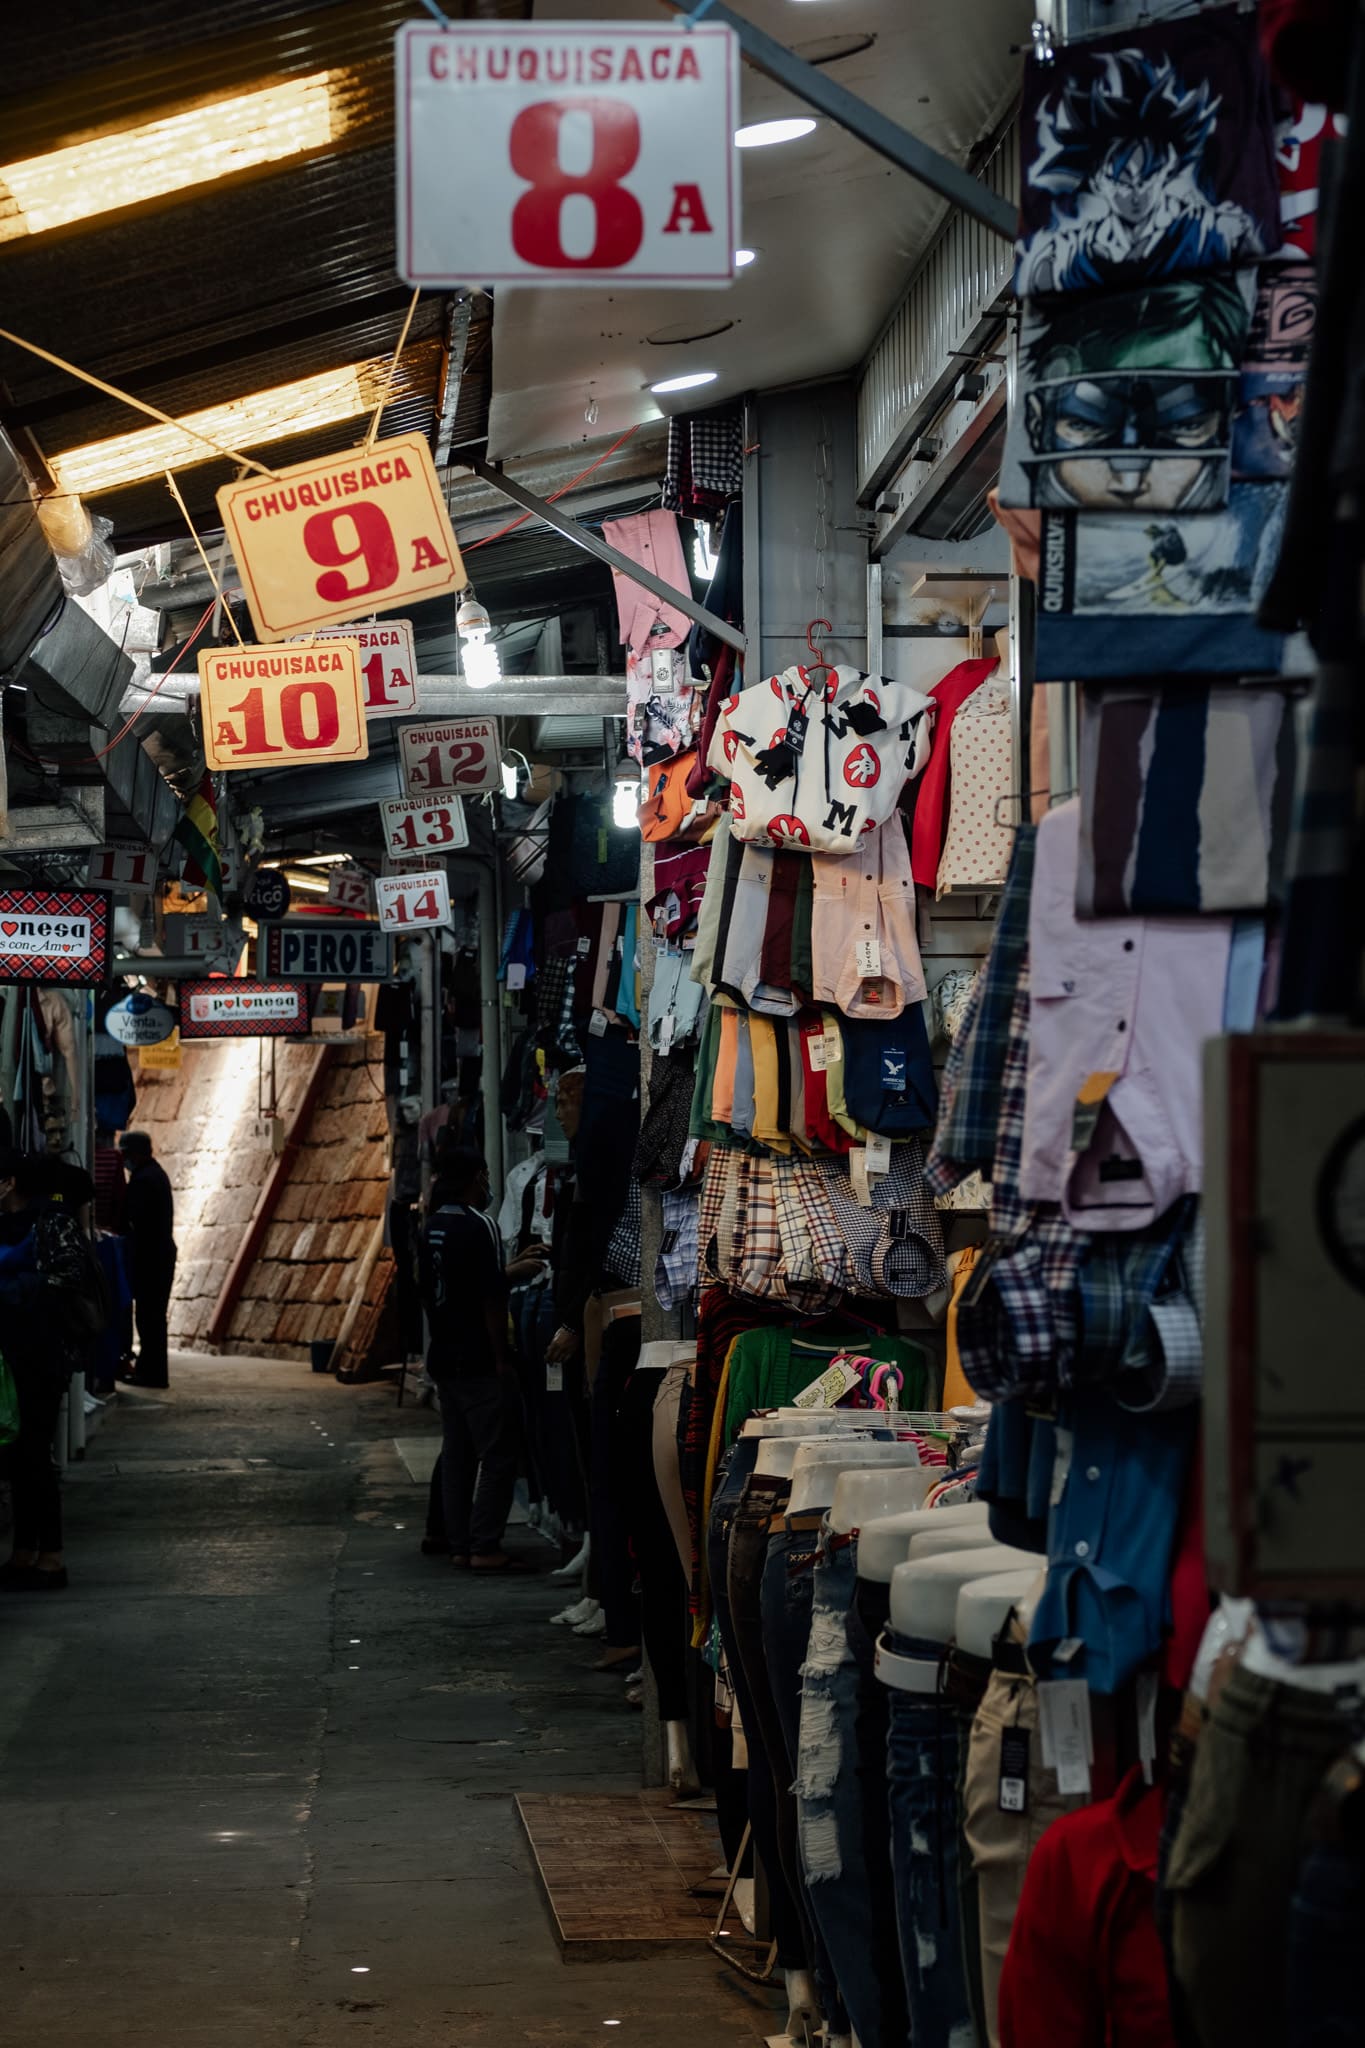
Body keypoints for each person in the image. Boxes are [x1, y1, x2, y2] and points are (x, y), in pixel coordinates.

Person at [418, 1145, 547, 1572]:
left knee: (458, 1454)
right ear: (476, 1177)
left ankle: (459, 1544)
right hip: (476, 1356)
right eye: (486, 1176)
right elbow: (489, 1298)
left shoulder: (432, 1226)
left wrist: (506, 1273)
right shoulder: (480, 1224)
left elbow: (445, 1289)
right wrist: (500, 1358)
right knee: (498, 1454)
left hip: (444, 1353)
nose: (489, 1184)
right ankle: (485, 1544)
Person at [0, 1148, 99, 1590]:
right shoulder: (8, 1224)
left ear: (10, 1183)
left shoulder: (50, 1224)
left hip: (40, 1355)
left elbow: (65, 1280)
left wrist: (9, 1291)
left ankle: (51, 1557)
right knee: (17, 1456)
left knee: (35, 1454)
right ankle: (23, 1552)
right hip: (9, 1357)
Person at [118, 1129, 176, 1389]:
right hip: (158, 1256)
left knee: (148, 1318)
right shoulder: (155, 1174)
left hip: (150, 1259)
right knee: (153, 1318)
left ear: (136, 1154)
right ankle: (151, 1371)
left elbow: (134, 1220)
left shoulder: (144, 1180)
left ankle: (151, 1374)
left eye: (126, 1155)